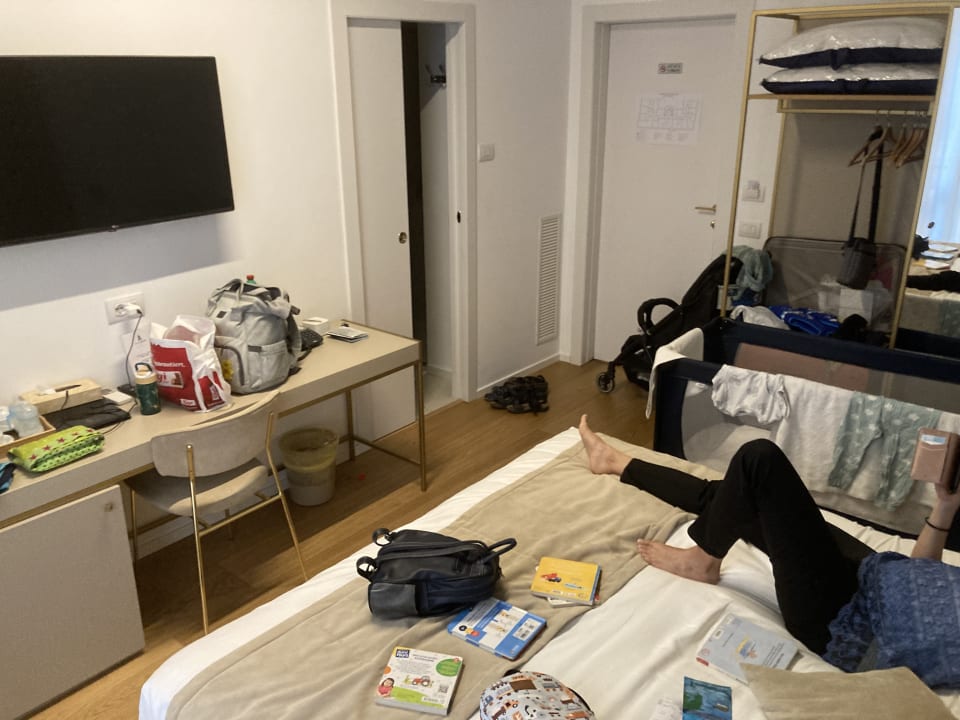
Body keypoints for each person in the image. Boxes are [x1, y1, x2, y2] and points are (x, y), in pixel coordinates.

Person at [578, 414, 960, 683]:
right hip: (876, 575)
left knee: (759, 461)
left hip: (847, 622)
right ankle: (614, 462)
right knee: (739, 495)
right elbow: (924, 578)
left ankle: (702, 560)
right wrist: (945, 507)